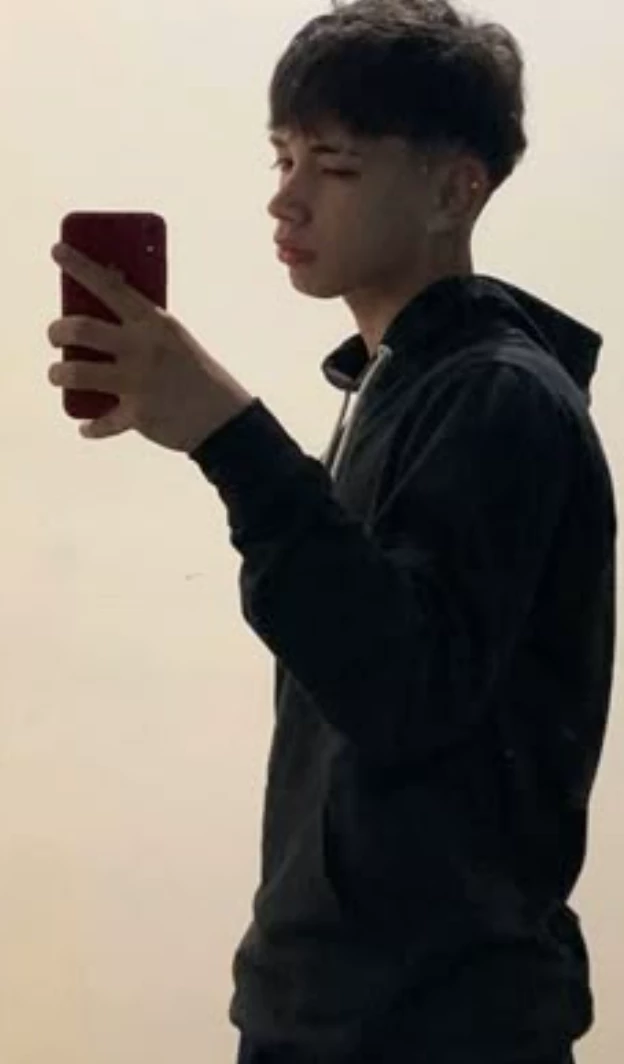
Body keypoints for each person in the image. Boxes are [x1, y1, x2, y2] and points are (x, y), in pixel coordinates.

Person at [46, 1, 616, 1062]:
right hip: (340, 1007)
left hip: (438, 1025)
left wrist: (228, 434)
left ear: (456, 189)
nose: (286, 195)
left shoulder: (500, 398)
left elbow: (402, 688)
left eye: (335, 165)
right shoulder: (399, 387)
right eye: (284, 155)